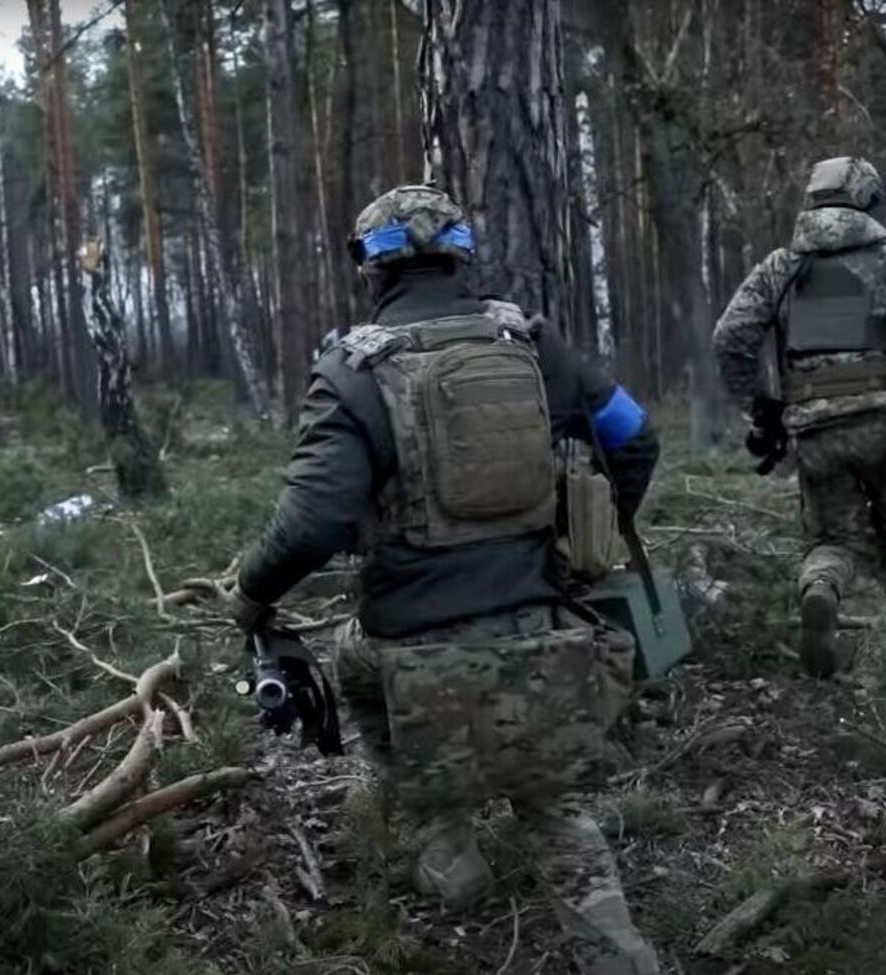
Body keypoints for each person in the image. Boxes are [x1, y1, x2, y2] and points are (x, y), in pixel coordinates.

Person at [226, 185, 662, 975]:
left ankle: (443, 839)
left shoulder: (351, 370)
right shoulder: (534, 344)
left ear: (370, 267)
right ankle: (616, 953)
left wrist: (252, 595)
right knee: (557, 808)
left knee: (353, 661)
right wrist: (575, 543)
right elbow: (635, 437)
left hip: (411, 651)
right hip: (546, 633)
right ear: (460, 250)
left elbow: (314, 522)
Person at [712, 157, 886, 678]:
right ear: (868, 199)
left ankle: (822, 592)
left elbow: (729, 337)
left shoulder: (781, 267)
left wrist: (761, 408)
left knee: (832, 542)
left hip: (815, 429)